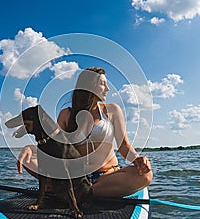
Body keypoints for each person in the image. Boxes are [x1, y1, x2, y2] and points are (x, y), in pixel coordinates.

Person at [17, 67, 152, 198]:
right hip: (76, 178)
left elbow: (124, 146)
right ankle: (81, 190)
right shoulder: (66, 114)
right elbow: (55, 148)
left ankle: (78, 192)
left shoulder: (112, 111)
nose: (108, 88)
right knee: (28, 159)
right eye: (102, 84)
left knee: (145, 175)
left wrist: (137, 159)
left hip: (106, 177)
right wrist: (30, 148)